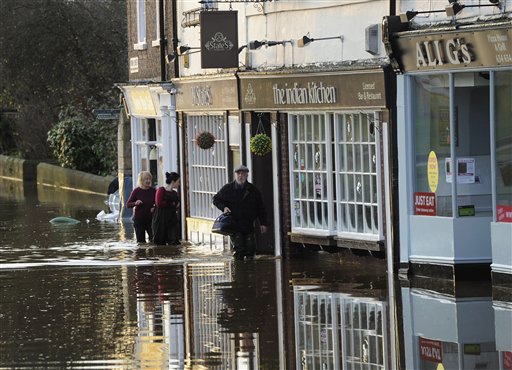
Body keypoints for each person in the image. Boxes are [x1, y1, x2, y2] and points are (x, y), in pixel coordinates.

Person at [213, 165, 267, 260]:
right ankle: (238, 271)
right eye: (238, 174)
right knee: (238, 249)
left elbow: (260, 207)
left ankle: (249, 271)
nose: (240, 176)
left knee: (251, 249)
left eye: (243, 174)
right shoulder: (228, 188)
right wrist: (224, 207)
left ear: (247, 175)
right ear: (235, 175)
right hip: (234, 224)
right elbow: (216, 199)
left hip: (248, 223)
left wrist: (263, 223)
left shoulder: (253, 190)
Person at [126, 171, 156, 243]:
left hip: (151, 219)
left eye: (149, 179)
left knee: (154, 240)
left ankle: (153, 254)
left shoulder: (154, 191)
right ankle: (141, 254)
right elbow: (128, 204)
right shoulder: (136, 191)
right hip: (139, 220)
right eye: (146, 179)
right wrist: (135, 203)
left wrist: (155, 208)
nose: (148, 181)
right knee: (141, 241)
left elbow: (158, 203)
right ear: (141, 180)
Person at [152, 172, 180, 245]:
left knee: (174, 240)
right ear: (173, 181)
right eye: (178, 181)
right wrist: (172, 204)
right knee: (160, 241)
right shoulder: (161, 190)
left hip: (172, 218)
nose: (179, 184)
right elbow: (159, 203)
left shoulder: (175, 193)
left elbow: (177, 205)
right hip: (161, 219)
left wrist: (175, 204)